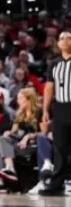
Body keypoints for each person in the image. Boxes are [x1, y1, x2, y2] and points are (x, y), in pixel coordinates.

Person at [39, 30, 71, 195]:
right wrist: (45, 109)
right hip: (59, 107)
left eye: (68, 38)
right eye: (61, 38)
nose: (65, 40)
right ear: (58, 44)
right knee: (59, 147)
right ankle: (57, 183)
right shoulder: (54, 63)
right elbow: (49, 88)